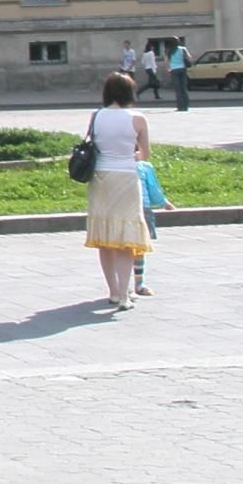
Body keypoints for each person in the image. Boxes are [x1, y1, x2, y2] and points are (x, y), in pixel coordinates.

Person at [84, 72, 152, 310]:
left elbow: (94, 147)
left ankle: (112, 291)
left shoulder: (96, 116)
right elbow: (144, 154)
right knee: (126, 239)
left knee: (105, 236)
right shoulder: (138, 118)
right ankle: (124, 294)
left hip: (101, 177)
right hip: (126, 177)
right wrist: (128, 155)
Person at [134, 160, 174, 297]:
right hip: (128, 210)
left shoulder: (143, 166)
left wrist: (164, 202)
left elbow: (153, 189)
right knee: (130, 249)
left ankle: (138, 282)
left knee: (139, 249)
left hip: (142, 209)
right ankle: (133, 284)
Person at [170, 37, 191, 111]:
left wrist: (168, 68)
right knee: (184, 88)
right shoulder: (183, 49)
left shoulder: (169, 50)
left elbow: (166, 61)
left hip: (174, 70)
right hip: (182, 69)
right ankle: (186, 106)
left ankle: (180, 107)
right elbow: (189, 57)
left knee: (178, 89)